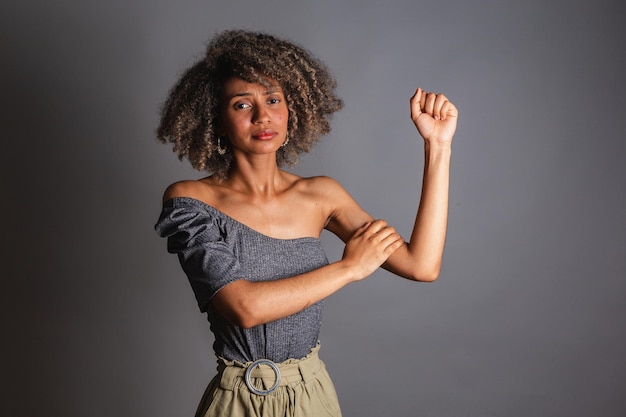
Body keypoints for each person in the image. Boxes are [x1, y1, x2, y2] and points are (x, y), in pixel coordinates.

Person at [154, 29, 457, 417]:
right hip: (238, 400)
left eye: (273, 100)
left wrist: (438, 146)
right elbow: (243, 307)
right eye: (242, 105)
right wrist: (349, 268)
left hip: (312, 394)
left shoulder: (322, 195)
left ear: (291, 109)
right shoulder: (190, 201)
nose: (263, 115)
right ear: (217, 119)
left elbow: (422, 265)